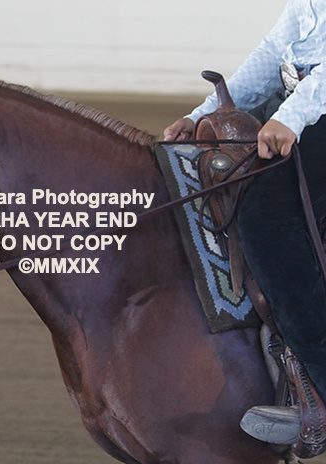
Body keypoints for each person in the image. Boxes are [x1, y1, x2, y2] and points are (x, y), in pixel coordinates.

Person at [164, 0, 326, 447]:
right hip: (306, 103)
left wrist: (290, 116)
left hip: (313, 106)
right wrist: (203, 114)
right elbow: (273, 52)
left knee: (267, 218)